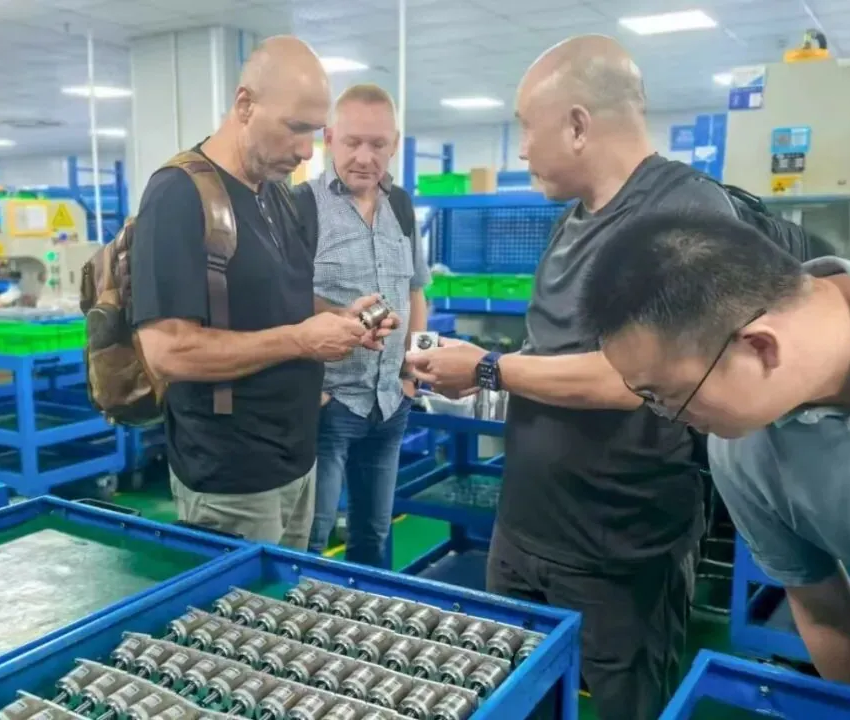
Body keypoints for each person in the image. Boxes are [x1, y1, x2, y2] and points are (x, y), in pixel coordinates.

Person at [405, 35, 737, 719]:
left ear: (579, 124)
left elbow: (632, 378)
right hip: (525, 532)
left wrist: (492, 368)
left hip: (620, 551)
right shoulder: (569, 224)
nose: (521, 149)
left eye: (528, 127)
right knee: (516, 700)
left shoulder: (687, 216)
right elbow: (550, 349)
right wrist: (472, 374)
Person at [579, 209, 850, 685]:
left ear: (760, 348)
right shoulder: (742, 456)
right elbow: (824, 612)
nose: (672, 418)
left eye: (669, 397)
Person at [130, 36, 385, 549]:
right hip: (231, 478)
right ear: (245, 105)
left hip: (296, 458)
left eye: (313, 132)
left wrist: (339, 318)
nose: (305, 150)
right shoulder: (179, 194)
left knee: (290, 615)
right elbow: (167, 352)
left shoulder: (276, 196)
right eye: (294, 128)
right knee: (241, 623)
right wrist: (301, 341)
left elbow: (283, 300)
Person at [299, 83, 429, 567]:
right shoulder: (301, 207)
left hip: (391, 403)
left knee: (373, 539)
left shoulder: (402, 206)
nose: (364, 156)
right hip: (330, 405)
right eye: (352, 142)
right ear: (329, 138)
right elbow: (281, 304)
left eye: (377, 144)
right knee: (311, 540)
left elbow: (416, 291)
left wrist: (412, 370)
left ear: (393, 145)